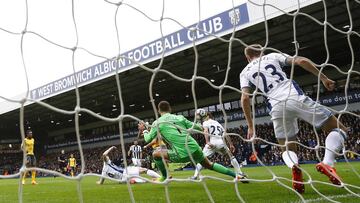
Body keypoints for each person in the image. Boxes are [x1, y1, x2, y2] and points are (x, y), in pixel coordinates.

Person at [240, 44, 348, 193]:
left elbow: (245, 98)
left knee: (287, 146)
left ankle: (294, 167)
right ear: (262, 51)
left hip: (276, 108)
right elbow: (301, 61)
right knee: (340, 129)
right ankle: (328, 163)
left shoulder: (244, 72)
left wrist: (251, 126)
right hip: (294, 96)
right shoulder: (271, 56)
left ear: (247, 58)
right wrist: (323, 78)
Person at [138, 101, 246, 182]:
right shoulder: (180, 118)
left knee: (156, 154)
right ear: (170, 109)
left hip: (182, 152)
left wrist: (145, 130)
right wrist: (201, 119)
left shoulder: (157, 123)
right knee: (209, 165)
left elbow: (147, 139)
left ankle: (164, 177)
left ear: (158, 110)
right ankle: (237, 175)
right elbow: (199, 128)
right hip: (195, 147)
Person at [191, 109, 247, 180]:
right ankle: (240, 173)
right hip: (221, 143)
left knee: (201, 159)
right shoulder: (217, 123)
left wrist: (207, 141)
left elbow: (206, 131)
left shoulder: (205, 122)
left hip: (212, 142)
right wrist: (231, 144)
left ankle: (195, 176)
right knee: (231, 157)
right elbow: (225, 134)